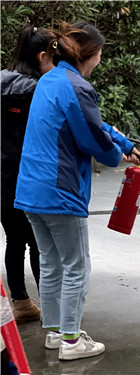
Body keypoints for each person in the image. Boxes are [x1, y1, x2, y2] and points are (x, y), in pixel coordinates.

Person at [14, 21, 140, 361]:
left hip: (31, 190)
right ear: (93, 55)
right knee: (76, 265)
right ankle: (72, 341)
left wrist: (124, 143)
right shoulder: (77, 87)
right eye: (101, 52)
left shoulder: (50, 80)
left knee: (53, 262)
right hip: (59, 190)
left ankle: (56, 333)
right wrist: (117, 154)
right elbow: (92, 138)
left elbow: (93, 125)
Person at [1, 26, 56, 325]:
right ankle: (52, 309)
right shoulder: (37, 89)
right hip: (30, 177)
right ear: (42, 55)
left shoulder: (1, 80)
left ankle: (21, 302)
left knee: (14, 240)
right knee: (39, 243)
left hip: (2, 178)